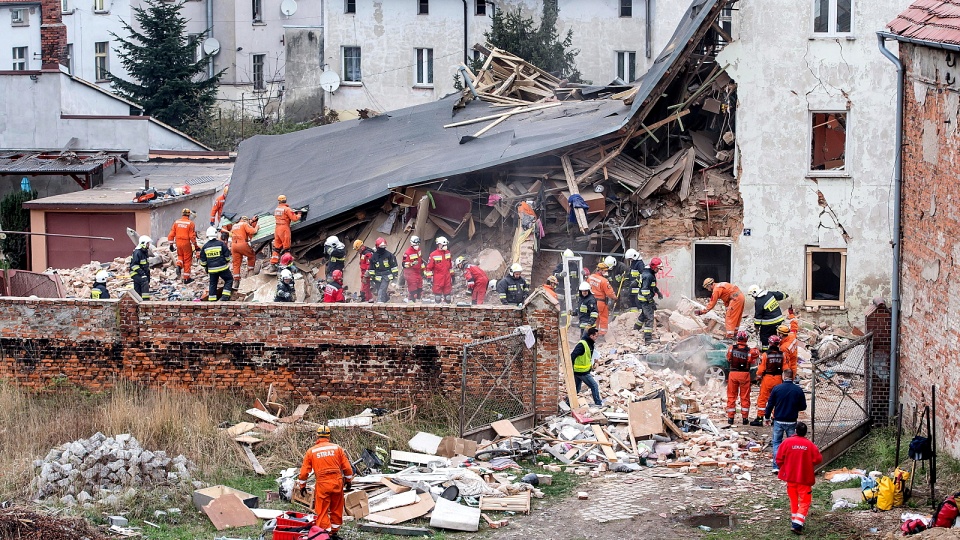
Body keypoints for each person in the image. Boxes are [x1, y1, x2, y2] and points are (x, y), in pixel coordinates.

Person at [297, 425, 354, 538]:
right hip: (337, 483)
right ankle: (334, 532)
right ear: (329, 435)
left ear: (317, 435)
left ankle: (325, 534)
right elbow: (347, 468)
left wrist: (302, 485)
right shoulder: (337, 448)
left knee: (322, 511)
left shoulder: (311, 451)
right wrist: (348, 480)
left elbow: (304, 472)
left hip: (322, 485)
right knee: (336, 509)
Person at [775, 422, 822, 534]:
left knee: (793, 500)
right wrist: (807, 463)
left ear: (795, 431)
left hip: (790, 478)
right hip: (804, 478)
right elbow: (818, 459)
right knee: (805, 500)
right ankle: (797, 524)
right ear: (805, 432)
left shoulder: (787, 442)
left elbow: (779, 459)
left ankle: (795, 521)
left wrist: (785, 468)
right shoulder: (809, 445)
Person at [766, 368, 807, 473]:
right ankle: (791, 467)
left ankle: (776, 466)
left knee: (777, 443)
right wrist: (793, 407)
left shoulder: (777, 388)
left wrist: (767, 417)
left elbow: (770, 404)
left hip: (778, 420)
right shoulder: (798, 390)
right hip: (792, 421)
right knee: (792, 445)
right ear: (793, 377)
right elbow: (803, 406)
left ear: (783, 377)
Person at [726, 330, 759, 425]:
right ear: (746, 339)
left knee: (731, 396)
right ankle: (745, 418)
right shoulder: (750, 351)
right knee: (745, 396)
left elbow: (728, 358)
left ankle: (730, 418)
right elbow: (757, 354)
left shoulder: (731, 348)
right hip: (744, 374)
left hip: (733, 373)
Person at [752, 334, 785, 426]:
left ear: (770, 343)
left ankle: (759, 418)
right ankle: (775, 419)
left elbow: (761, 369)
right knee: (777, 399)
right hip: (778, 379)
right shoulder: (782, 355)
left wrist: (757, 377)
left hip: (767, 379)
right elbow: (786, 368)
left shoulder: (765, 355)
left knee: (763, 399)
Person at [749, 285, 789, 351]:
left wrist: (757, 327)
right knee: (776, 335)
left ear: (754, 293)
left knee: (764, 337)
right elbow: (779, 295)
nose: (752, 297)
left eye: (752, 295)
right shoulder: (769, 293)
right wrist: (786, 295)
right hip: (779, 320)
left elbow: (758, 316)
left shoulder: (759, 302)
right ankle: (776, 349)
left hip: (768, 323)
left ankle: (766, 352)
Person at [571, 327, 603, 406]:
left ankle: (568, 403)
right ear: (591, 336)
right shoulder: (582, 344)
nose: (596, 338)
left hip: (580, 371)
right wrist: (570, 367)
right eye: (596, 336)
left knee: (577, 389)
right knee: (594, 385)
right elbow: (573, 355)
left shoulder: (589, 343)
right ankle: (598, 404)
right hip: (581, 372)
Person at [200, 226, 233, 301]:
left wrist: (206, 267)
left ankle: (212, 300)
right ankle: (225, 297)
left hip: (211, 270)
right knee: (229, 279)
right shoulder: (221, 244)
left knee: (213, 284)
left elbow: (203, 262)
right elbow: (227, 257)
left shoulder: (205, 247)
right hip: (222, 268)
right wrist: (225, 261)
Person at [634, 257, 663, 343]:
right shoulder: (648, 276)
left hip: (644, 298)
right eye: (658, 268)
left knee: (644, 314)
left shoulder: (649, 272)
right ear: (654, 267)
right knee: (649, 317)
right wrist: (651, 302)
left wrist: (657, 292)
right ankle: (648, 338)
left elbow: (652, 286)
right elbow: (645, 290)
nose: (659, 270)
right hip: (645, 299)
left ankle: (636, 328)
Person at [167, 208, 200, 284]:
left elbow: (171, 234)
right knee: (187, 260)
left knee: (180, 256)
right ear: (189, 214)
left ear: (182, 214)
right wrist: (196, 246)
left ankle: (178, 265)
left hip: (178, 242)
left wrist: (171, 244)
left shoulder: (176, 222)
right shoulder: (190, 223)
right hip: (186, 243)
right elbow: (192, 236)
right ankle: (186, 278)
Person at [270, 194, 302, 269]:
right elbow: (294, 218)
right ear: (285, 200)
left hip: (277, 228)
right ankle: (288, 263)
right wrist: (299, 215)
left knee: (277, 247)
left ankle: (273, 263)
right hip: (284, 228)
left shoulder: (277, 209)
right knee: (286, 247)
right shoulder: (287, 209)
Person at [230, 215, 259, 291]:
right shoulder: (245, 224)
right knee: (251, 255)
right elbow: (253, 231)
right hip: (241, 244)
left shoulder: (234, 226)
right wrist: (257, 227)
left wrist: (251, 221)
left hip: (233, 246)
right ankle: (250, 273)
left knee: (236, 263)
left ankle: (236, 281)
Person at [588, 262, 616, 336]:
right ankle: (603, 333)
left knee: (594, 317)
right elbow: (609, 293)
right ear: (600, 270)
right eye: (605, 270)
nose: (606, 272)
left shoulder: (590, 277)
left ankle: (593, 332)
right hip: (600, 302)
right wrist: (615, 297)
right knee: (603, 317)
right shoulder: (604, 281)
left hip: (591, 301)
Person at [425, 236, 454, 304]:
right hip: (438, 277)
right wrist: (429, 278)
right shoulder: (433, 255)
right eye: (444, 245)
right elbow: (429, 268)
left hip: (447, 277)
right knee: (437, 297)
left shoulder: (448, 253)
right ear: (439, 245)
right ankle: (438, 312)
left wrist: (452, 275)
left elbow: (450, 266)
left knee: (448, 297)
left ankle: (448, 312)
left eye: (446, 244)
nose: (445, 246)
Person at [368, 237, 398, 303]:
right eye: (381, 247)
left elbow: (394, 266)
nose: (382, 248)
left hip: (386, 276)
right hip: (377, 277)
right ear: (377, 246)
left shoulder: (389, 255)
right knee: (380, 291)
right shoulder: (374, 256)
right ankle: (385, 299)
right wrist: (372, 278)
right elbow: (371, 268)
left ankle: (380, 303)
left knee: (382, 289)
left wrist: (395, 278)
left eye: (384, 247)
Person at [402, 236, 426, 302]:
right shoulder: (407, 253)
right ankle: (411, 304)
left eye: (418, 244)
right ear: (412, 244)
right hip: (410, 273)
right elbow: (403, 265)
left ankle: (418, 304)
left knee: (419, 290)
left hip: (418, 272)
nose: (417, 246)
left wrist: (423, 270)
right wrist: (411, 264)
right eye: (415, 244)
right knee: (413, 292)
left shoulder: (419, 250)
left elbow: (421, 261)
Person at [129, 235, 153, 300]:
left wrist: (147, 276)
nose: (149, 245)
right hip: (135, 273)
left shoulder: (144, 252)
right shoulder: (137, 252)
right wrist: (143, 274)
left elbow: (146, 266)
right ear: (143, 243)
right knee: (144, 281)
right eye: (148, 243)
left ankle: (138, 299)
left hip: (141, 273)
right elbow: (134, 265)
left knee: (139, 287)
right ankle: (145, 300)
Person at [778, 308, 801, 374]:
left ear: (781, 334)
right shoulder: (792, 336)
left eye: (778, 333)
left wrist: (786, 374)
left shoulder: (784, 348)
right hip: (794, 366)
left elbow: (786, 362)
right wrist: (791, 315)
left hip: (789, 371)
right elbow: (794, 327)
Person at [625, 248, 645, 314]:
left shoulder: (640, 264)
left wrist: (636, 281)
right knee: (632, 300)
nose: (630, 260)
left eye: (630, 259)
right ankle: (633, 315)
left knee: (638, 301)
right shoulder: (633, 263)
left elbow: (643, 274)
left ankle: (640, 314)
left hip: (637, 286)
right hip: (632, 286)